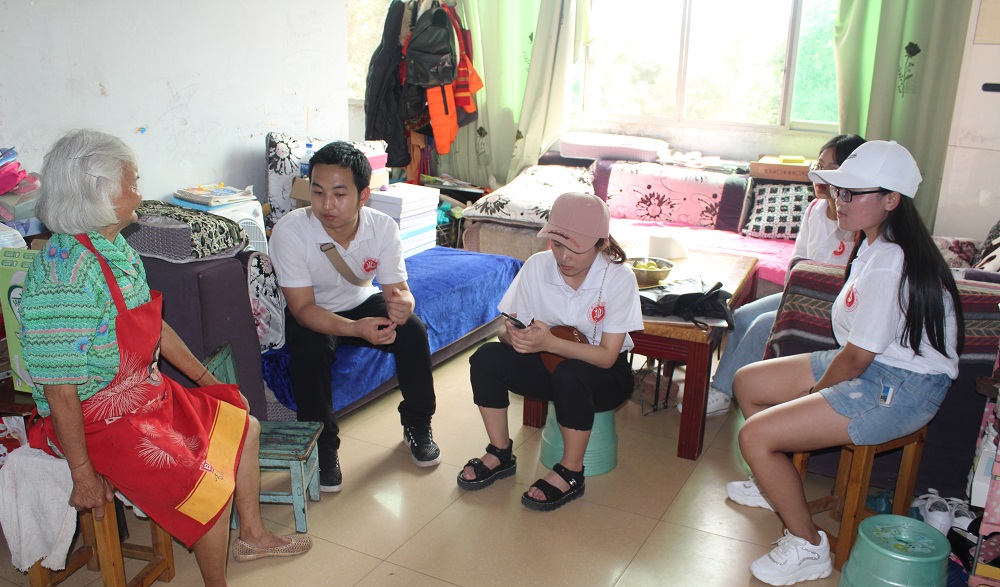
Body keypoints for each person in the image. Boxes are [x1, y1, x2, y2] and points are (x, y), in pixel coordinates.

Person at [20, 129, 312, 587]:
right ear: (99, 193)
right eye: (131, 181)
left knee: (241, 422)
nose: (139, 188)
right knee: (206, 484)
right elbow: (61, 390)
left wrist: (206, 380)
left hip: (142, 394)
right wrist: (83, 473)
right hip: (97, 420)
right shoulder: (62, 278)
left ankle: (251, 535)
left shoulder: (115, 247)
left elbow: (152, 326)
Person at [725, 140, 964, 586]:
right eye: (839, 190)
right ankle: (772, 480)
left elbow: (855, 358)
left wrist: (814, 396)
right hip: (872, 363)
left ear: (891, 200)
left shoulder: (891, 260)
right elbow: (856, 350)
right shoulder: (874, 244)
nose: (841, 200)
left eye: (853, 192)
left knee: (756, 435)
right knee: (748, 383)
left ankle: (808, 546)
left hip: (903, 386)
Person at [268, 141, 440, 493]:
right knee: (310, 351)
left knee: (413, 331)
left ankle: (418, 424)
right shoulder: (291, 232)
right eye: (318, 192)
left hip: (360, 299)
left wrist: (405, 303)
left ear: (363, 195)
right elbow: (303, 309)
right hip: (313, 309)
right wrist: (356, 329)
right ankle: (323, 449)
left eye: (339, 194)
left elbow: (398, 291)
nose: (326, 205)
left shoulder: (382, 228)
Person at [459, 192, 644, 511]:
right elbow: (506, 328)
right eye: (557, 244)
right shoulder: (537, 266)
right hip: (547, 363)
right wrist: (517, 338)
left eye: (576, 248)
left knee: (571, 373)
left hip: (605, 376)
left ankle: (571, 472)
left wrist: (550, 343)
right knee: (486, 358)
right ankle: (500, 452)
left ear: (601, 243)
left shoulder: (618, 278)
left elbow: (607, 356)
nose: (564, 256)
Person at [678, 134, 866, 417]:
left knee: (764, 324)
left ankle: (722, 390)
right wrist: (796, 294)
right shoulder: (815, 209)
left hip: (834, 306)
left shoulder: (855, 221)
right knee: (740, 316)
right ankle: (724, 388)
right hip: (801, 294)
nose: (819, 175)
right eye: (818, 165)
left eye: (831, 168)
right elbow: (798, 261)